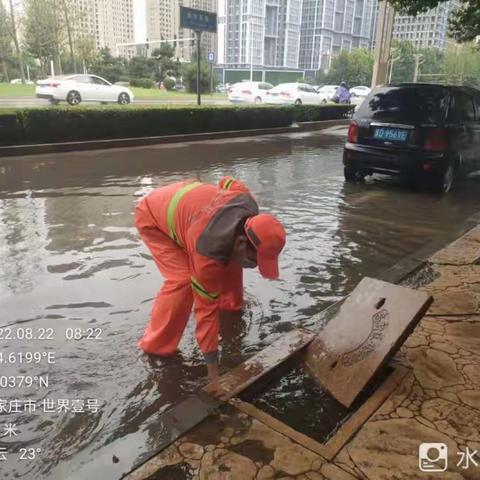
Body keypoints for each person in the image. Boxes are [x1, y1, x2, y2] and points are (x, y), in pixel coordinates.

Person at [134, 176, 286, 380]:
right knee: (183, 281)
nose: (257, 265)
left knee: (231, 259)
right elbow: (205, 314)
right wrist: (213, 375)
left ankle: (230, 307)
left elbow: (227, 181)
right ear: (242, 242)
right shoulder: (207, 250)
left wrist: (212, 201)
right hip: (154, 216)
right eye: (255, 259)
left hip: (188, 202)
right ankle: (156, 346)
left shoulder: (247, 202)